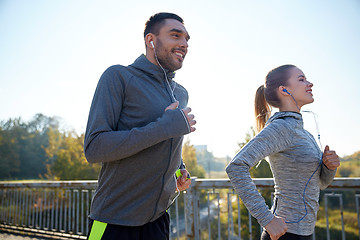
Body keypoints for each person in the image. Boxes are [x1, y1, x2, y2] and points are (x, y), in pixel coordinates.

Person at [84, 12, 196, 240]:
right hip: (112, 223)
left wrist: (178, 168)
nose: (184, 44)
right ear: (151, 40)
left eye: (186, 39)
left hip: (157, 222)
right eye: (175, 35)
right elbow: (94, 148)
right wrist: (163, 127)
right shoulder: (119, 77)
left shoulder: (180, 93)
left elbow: (165, 140)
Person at [226, 65, 340, 240]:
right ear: (284, 90)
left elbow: (321, 184)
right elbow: (236, 167)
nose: (310, 83)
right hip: (285, 234)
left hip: (304, 232)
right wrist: (267, 219)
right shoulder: (282, 127)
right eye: (301, 79)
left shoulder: (303, 133)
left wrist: (329, 167)